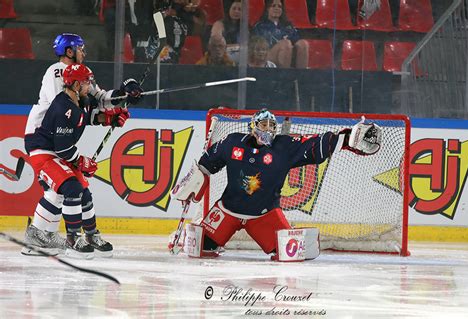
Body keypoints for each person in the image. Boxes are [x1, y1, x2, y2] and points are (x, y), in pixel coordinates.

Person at [171, 108, 382, 260]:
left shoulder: (284, 146)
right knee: (201, 249)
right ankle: (190, 239)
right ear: (253, 127)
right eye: (264, 125)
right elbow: (206, 164)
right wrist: (192, 183)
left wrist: (347, 139)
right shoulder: (232, 142)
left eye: (273, 125)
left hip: (265, 216)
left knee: (289, 255)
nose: (269, 130)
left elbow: (315, 144)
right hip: (226, 212)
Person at [22, 33, 143, 257]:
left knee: (71, 188)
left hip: (57, 139)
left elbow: (99, 97)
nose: (84, 53)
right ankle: (45, 235)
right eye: (81, 49)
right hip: (42, 137)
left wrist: (124, 95)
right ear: (69, 51)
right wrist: (103, 114)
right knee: (65, 186)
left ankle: (44, 234)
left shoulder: (81, 76)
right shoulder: (56, 72)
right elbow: (70, 107)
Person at [252, 0, 308, 68]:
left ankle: (302, 76)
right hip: (266, 55)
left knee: (303, 43)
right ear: (267, 9)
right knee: (285, 44)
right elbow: (256, 45)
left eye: (279, 6)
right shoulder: (260, 26)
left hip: (288, 53)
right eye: (273, 6)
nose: (277, 8)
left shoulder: (288, 26)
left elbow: (296, 40)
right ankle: (283, 76)